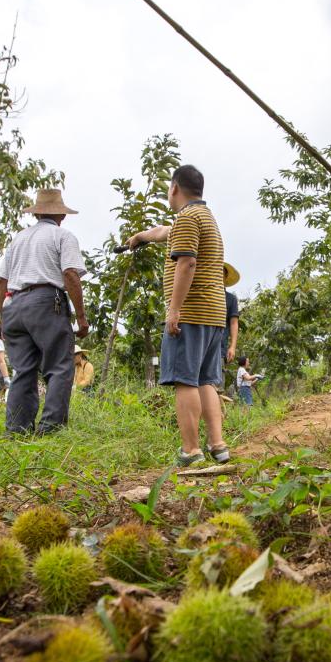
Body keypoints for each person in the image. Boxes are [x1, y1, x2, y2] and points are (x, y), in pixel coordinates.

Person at [126, 165, 229, 467]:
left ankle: (191, 450)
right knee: (205, 381)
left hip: (191, 312)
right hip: (213, 314)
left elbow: (186, 264)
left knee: (185, 381)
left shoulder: (186, 218)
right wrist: (140, 236)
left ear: (174, 188)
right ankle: (218, 446)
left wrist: (174, 308)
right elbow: (163, 232)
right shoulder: (204, 217)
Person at [0, 188, 89, 437]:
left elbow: (1, 282)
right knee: (59, 366)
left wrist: (3, 318)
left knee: (23, 370)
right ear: (62, 215)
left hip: (13, 304)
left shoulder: (17, 239)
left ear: (36, 213)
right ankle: (50, 428)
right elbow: (70, 274)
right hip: (46, 302)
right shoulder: (63, 236)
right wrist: (80, 317)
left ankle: (16, 430)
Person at [224, 262, 242, 363]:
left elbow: (234, 323)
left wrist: (232, 347)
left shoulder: (231, 299)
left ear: (225, 276)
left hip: (220, 345)